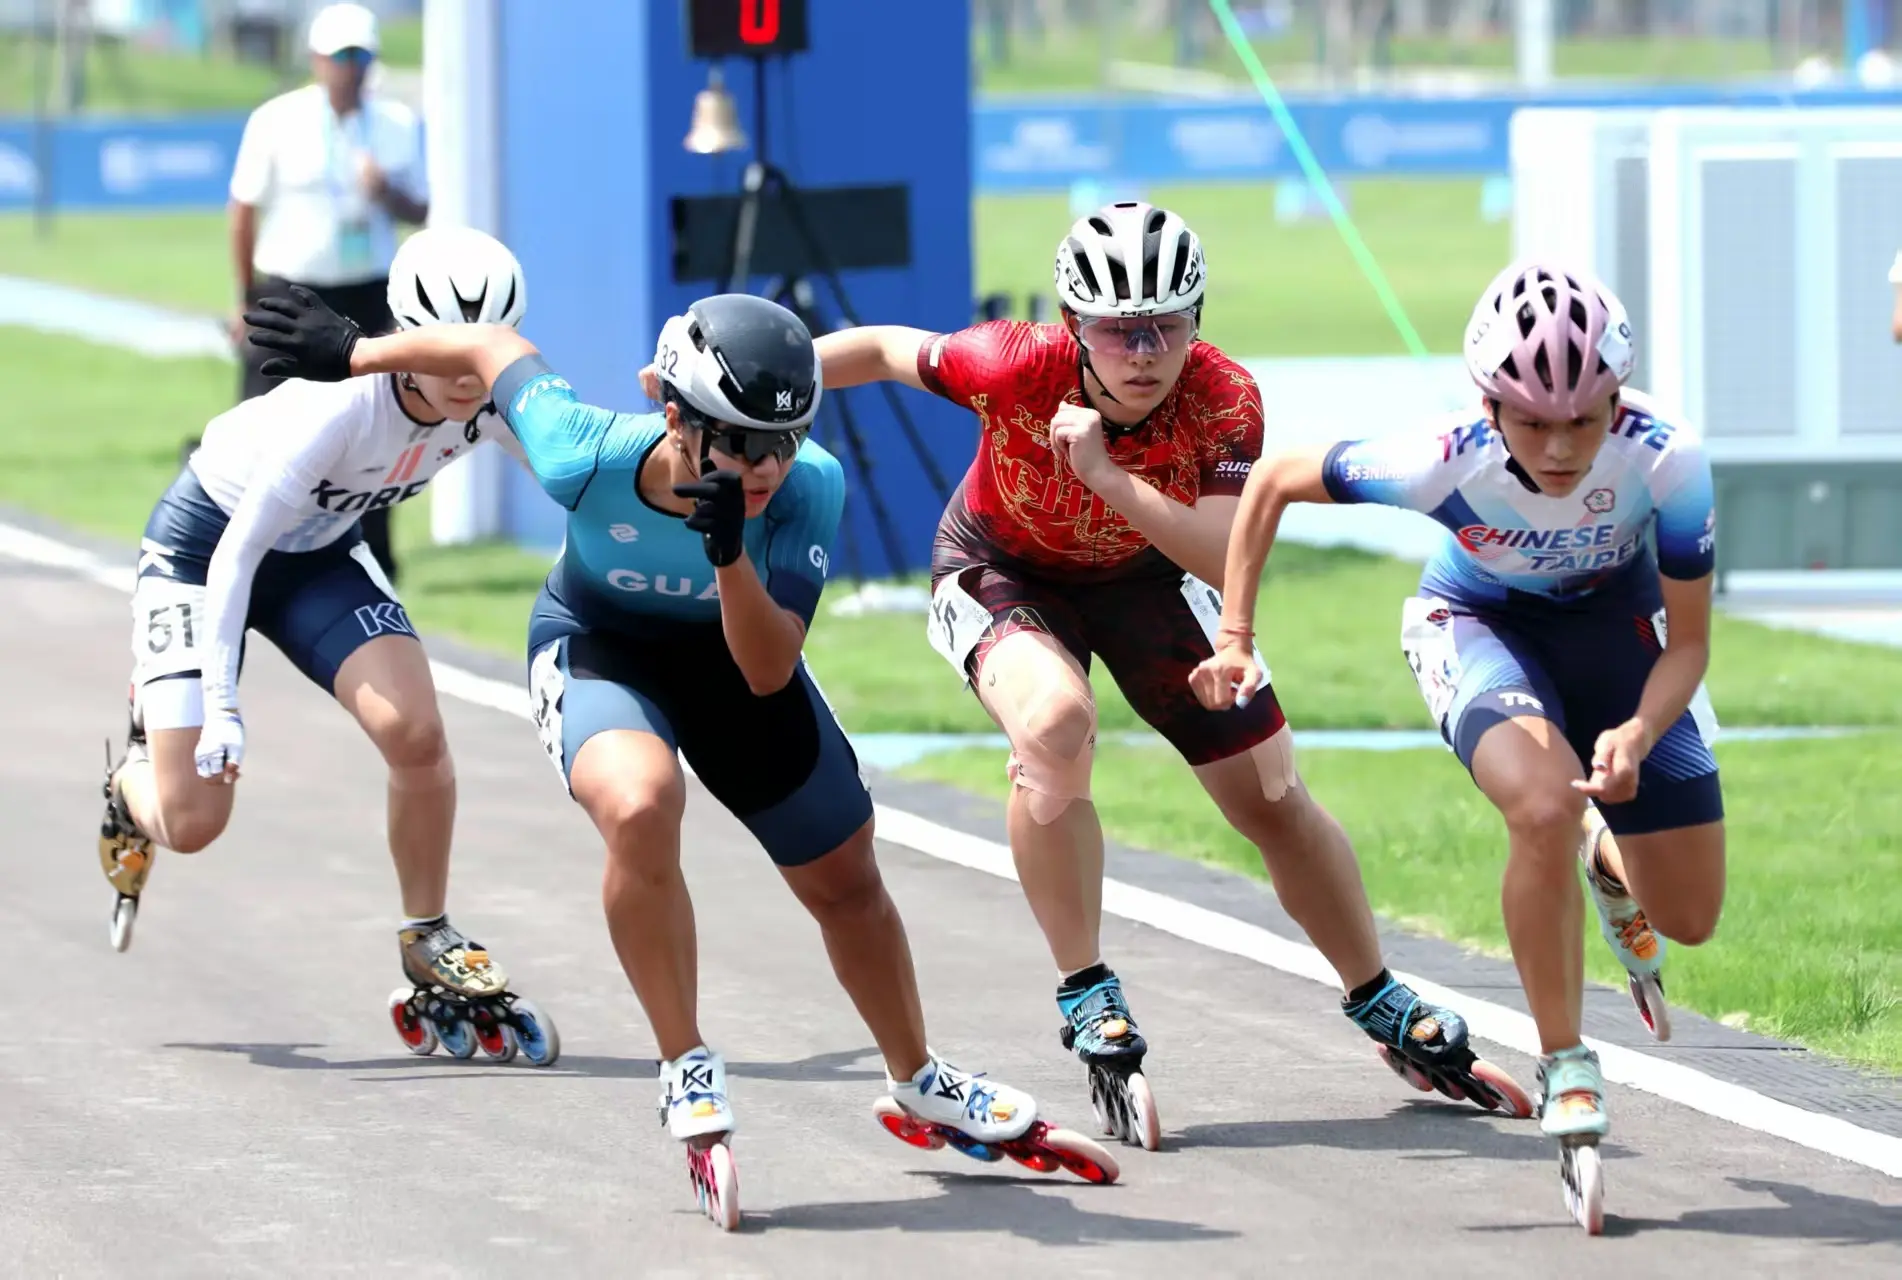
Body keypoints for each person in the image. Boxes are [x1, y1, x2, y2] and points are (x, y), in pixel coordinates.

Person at [241, 285, 1120, 1230]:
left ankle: (919, 1078)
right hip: (601, 649)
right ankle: (686, 1064)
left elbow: (767, 668)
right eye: (739, 442)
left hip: (738, 663)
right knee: (641, 803)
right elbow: (493, 347)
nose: (765, 465)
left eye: (783, 439)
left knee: (846, 879)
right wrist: (357, 351)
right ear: (674, 416)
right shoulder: (584, 453)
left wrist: (729, 555)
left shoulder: (810, 486)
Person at [804, 201, 1530, 1153]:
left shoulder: (1225, 397)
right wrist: (756, 382)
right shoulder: (1011, 362)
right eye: (1118, 329)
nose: (1143, 353)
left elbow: (1222, 551)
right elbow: (882, 350)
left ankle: (1377, 994)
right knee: (1055, 726)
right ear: (1075, 324)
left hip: (1149, 575)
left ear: (1197, 320)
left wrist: (1106, 477)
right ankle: (1086, 991)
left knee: (1269, 786)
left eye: (1166, 327)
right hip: (1001, 568)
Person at [1192, 260, 1726, 1233]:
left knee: (1688, 917)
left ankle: (1609, 861)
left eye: (1584, 420)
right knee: (1542, 803)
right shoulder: (1441, 458)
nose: (1560, 447)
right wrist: (1234, 634)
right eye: (1532, 422)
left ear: (1617, 400)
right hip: (1479, 624)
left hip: (1618, 633)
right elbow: (1273, 480)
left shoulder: (1668, 460)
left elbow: (1687, 644)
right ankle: (1567, 1063)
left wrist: (1640, 732)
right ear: (1489, 406)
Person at [97, 226, 558, 1067]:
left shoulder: (497, 399)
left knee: (416, 734)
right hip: (208, 550)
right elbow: (237, 555)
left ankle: (427, 933)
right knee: (191, 821)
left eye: (484, 348)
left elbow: (581, 483)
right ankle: (133, 784)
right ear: (404, 336)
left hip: (319, 559)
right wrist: (222, 707)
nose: (467, 372)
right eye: (445, 349)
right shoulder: (339, 407)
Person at [221, 1, 427, 583]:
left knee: (380, 423)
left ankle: (374, 560)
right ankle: (247, 550)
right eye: (341, 56)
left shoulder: (396, 123)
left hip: (368, 293)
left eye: (360, 56)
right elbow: (243, 210)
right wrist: (244, 297)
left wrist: (384, 191)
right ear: (317, 59)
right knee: (261, 421)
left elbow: (421, 209)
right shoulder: (276, 120)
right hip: (288, 291)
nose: (351, 68)